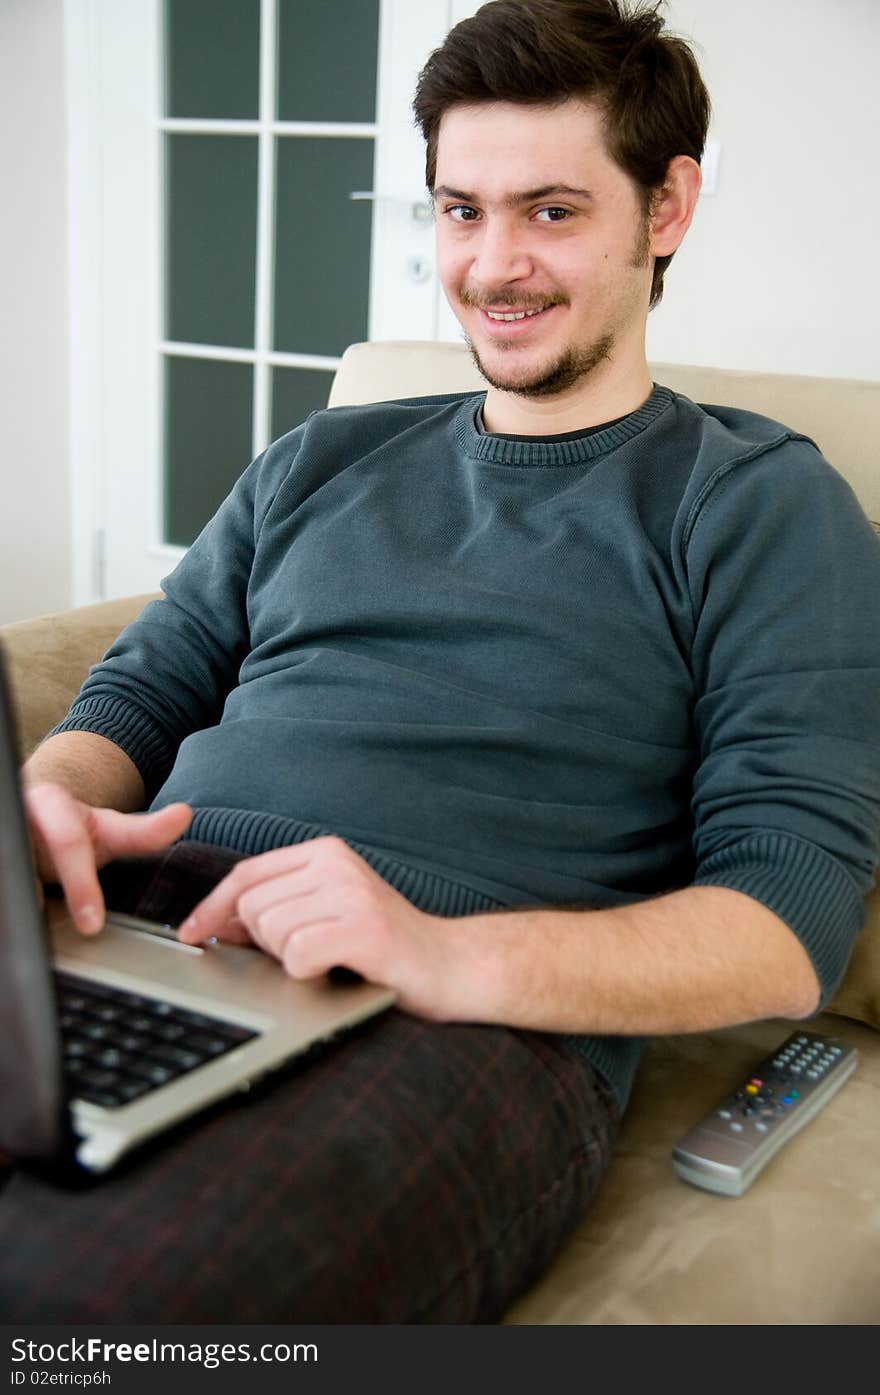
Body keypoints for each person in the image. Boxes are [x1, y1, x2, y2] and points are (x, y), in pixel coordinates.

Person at [3, 0, 879, 1322]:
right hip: (134, 932)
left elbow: (786, 925)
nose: (492, 265)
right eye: (460, 210)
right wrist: (57, 795)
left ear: (668, 207)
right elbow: (140, 687)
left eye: (550, 211)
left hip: (457, 1020)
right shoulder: (324, 456)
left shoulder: (756, 502)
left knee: (77, 1301)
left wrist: (440, 954)